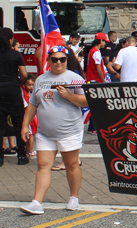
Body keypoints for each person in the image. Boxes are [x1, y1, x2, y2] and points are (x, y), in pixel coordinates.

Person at [20, 46, 88, 214]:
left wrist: (69, 96)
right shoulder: (41, 80)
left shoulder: (75, 78)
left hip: (69, 130)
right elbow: (33, 105)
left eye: (62, 59)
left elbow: (86, 101)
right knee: (43, 165)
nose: (58, 62)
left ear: (66, 60)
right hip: (45, 132)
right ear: (49, 60)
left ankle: (74, 197)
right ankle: (37, 202)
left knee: (72, 165)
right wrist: (24, 125)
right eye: (55, 59)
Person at [0, 27, 29, 166]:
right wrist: (17, 82)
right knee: (18, 123)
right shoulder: (16, 55)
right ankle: (22, 155)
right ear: (11, 39)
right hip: (12, 90)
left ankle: (0, 157)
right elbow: (24, 74)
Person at [86, 32, 110, 135]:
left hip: (92, 80)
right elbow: (98, 69)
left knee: (95, 105)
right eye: (104, 41)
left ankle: (93, 126)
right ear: (100, 41)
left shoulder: (92, 51)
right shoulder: (96, 52)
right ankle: (93, 127)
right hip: (96, 80)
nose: (105, 43)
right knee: (97, 106)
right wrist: (103, 82)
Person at [21, 75, 38, 158]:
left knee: (30, 134)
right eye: (29, 85)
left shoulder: (29, 93)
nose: (31, 87)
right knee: (30, 134)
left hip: (31, 116)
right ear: (24, 85)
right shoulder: (25, 94)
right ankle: (30, 151)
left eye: (32, 85)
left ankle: (28, 150)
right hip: (28, 116)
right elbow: (27, 106)